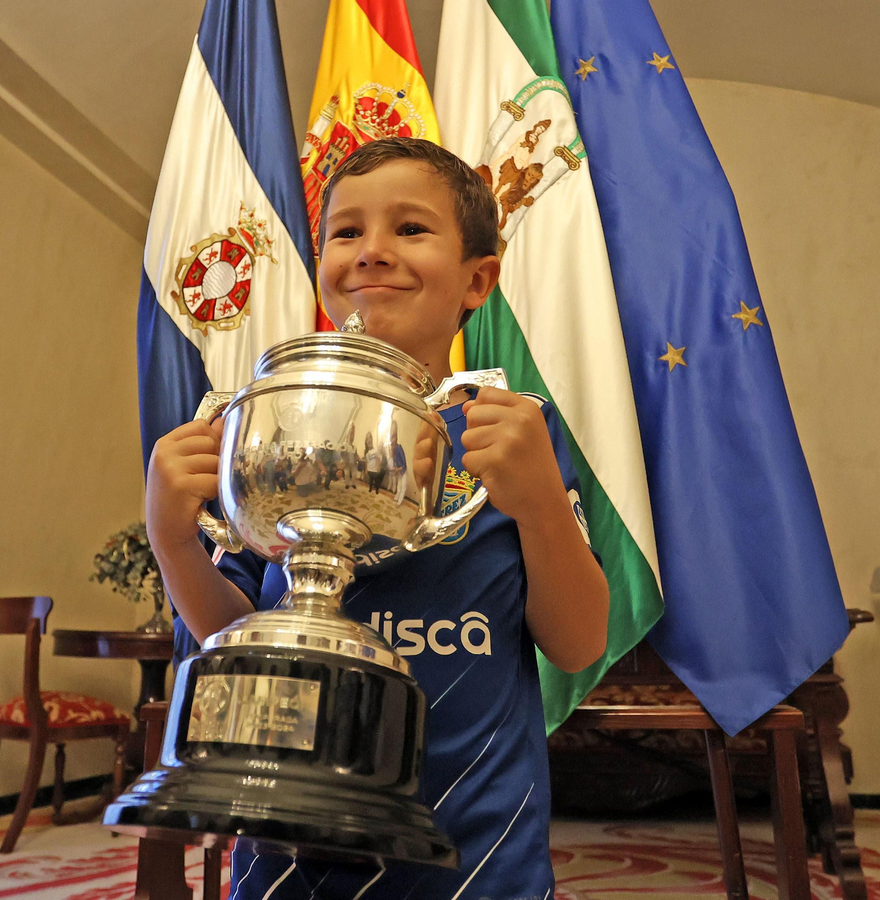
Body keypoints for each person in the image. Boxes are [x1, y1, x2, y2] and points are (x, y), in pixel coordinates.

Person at [144, 137, 611, 899]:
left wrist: (537, 505)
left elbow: (579, 640)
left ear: (477, 279)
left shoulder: (518, 434)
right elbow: (230, 634)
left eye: (412, 229)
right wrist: (170, 536)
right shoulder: (264, 426)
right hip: (284, 853)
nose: (371, 252)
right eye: (346, 231)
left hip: (476, 855)